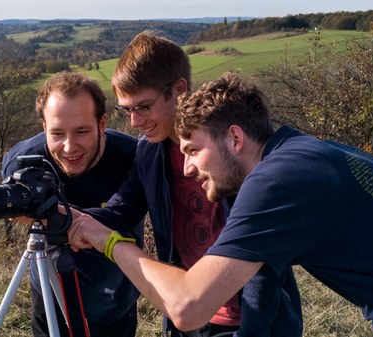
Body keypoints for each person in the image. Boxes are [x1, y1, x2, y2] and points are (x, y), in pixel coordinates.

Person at [68, 72, 373, 337]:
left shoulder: (275, 181)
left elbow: (188, 307)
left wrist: (109, 240)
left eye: (193, 151)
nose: (188, 168)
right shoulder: (313, 152)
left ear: (235, 137)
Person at [83, 31, 302, 337]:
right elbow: (122, 210)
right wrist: (67, 218)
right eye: (126, 110)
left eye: (143, 107)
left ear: (179, 89)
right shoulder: (149, 152)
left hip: (254, 320)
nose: (134, 122)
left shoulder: (233, 150)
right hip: (190, 317)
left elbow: (262, 257)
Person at [1, 72, 142, 337]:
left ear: (102, 124)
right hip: (50, 289)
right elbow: (12, 208)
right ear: (44, 128)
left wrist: (61, 217)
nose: (69, 147)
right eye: (57, 133)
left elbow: (130, 211)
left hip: (113, 295)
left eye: (81, 131)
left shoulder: (132, 156)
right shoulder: (24, 161)